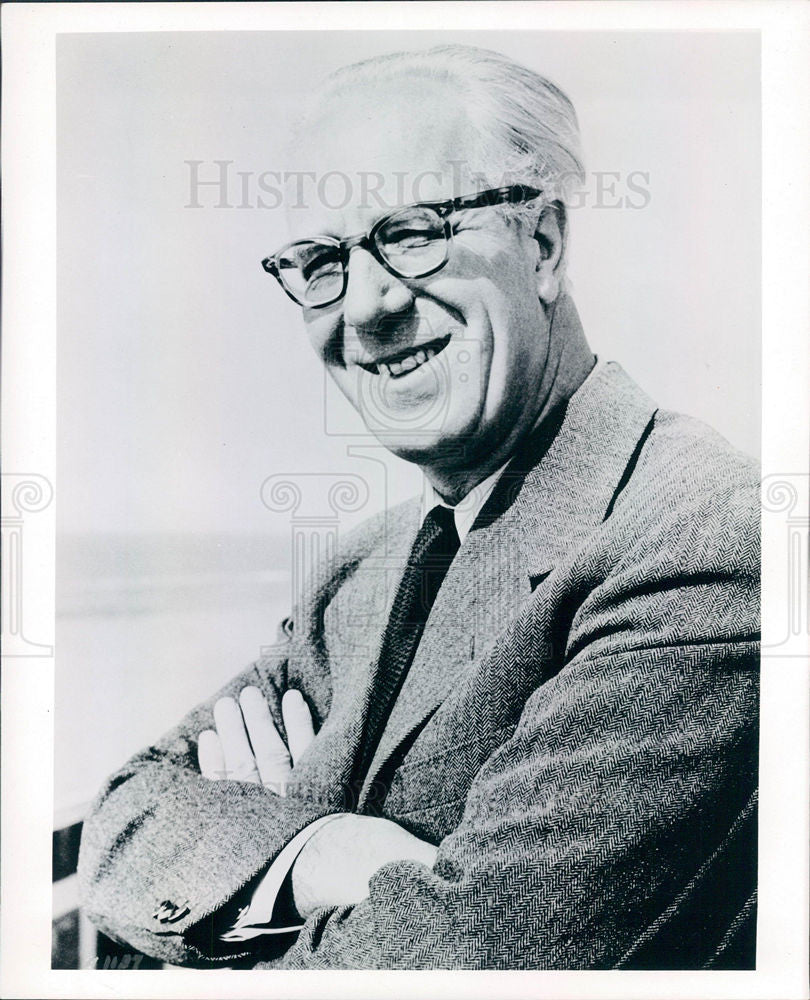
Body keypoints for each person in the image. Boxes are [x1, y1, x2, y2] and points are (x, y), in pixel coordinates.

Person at [78, 44, 759, 970]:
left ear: (544, 245)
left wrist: (247, 865)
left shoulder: (703, 542)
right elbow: (122, 821)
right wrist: (325, 851)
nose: (365, 307)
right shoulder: (360, 572)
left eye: (411, 233)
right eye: (322, 261)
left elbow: (467, 961)